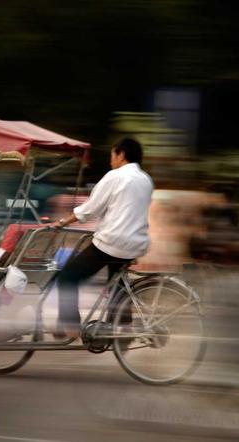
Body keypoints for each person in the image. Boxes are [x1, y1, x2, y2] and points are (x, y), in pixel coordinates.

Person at [51, 137, 153, 338]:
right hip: (136, 243)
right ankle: (124, 325)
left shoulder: (115, 176)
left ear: (121, 154)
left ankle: (70, 326)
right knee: (117, 281)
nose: (110, 161)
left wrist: (62, 222)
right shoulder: (146, 180)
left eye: (112, 155)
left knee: (67, 278)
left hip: (112, 242)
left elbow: (90, 209)